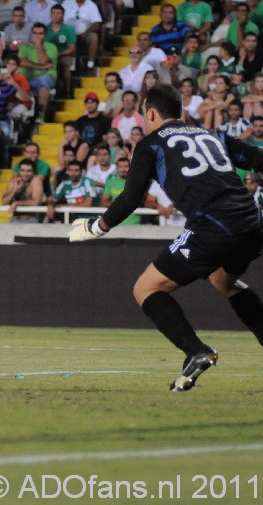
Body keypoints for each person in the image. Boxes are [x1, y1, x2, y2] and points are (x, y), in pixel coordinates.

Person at [69, 84, 263, 392]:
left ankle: (196, 351)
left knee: (146, 288)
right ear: (182, 112)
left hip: (214, 226)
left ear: (151, 113)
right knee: (222, 281)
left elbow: (131, 197)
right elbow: (257, 158)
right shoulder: (212, 135)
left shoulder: (151, 144)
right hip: (253, 223)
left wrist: (98, 226)